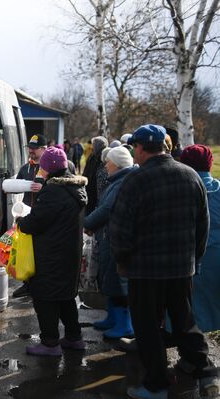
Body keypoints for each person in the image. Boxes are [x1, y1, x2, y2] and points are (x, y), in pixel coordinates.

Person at [109, 124, 218, 399]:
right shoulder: (190, 176)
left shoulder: (135, 180)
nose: (134, 152)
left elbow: (120, 230)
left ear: (142, 148)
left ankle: (156, 385)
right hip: (182, 268)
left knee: (148, 328)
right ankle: (202, 368)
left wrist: (122, 261)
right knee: (184, 320)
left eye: (135, 147)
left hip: (145, 270)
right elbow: (202, 226)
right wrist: (195, 260)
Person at [17, 147, 88, 356]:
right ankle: (74, 338)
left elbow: (36, 222)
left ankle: (50, 343)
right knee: (66, 296)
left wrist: (21, 222)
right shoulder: (77, 189)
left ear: (47, 169)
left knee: (45, 297)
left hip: (51, 254)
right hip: (70, 252)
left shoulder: (53, 191)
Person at [84, 146, 135, 339]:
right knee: (110, 280)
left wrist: (88, 222)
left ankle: (125, 325)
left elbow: (107, 209)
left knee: (118, 282)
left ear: (117, 163)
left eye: (108, 162)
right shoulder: (118, 180)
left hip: (116, 239)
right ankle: (113, 318)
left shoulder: (122, 182)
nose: (105, 165)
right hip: (108, 236)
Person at [180, 144, 220, 334]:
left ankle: (190, 354)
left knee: (186, 308)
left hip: (189, 258)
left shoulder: (181, 190)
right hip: (216, 256)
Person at [11, 134, 47, 298]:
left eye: (34, 148)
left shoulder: (49, 169)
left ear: (44, 149)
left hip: (43, 215)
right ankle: (27, 284)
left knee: (40, 252)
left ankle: (38, 285)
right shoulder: (25, 168)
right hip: (27, 214)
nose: (31, 152)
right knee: (26, 251)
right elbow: (17, 187)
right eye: (29, 148)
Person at [82, 136, 108, 215]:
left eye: (94, 144)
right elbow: (86, 171)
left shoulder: (104, 157)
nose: (92, 146)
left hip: (98, 190)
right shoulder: (92, 156)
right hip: (89, 188)